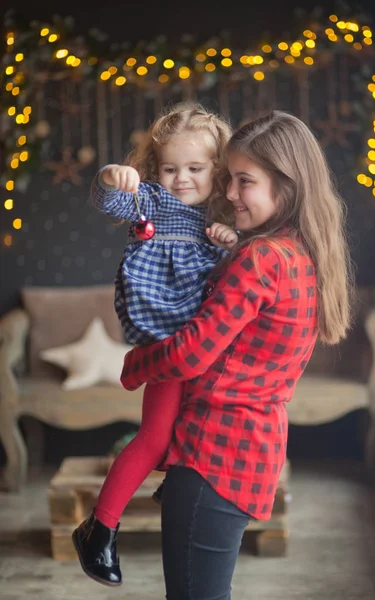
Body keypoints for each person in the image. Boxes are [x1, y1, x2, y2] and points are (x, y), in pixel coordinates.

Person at [119, 110, 354, 600]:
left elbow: (190, 355)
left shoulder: (260, 258)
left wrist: (134, 366)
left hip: (214, 449)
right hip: (253, 448)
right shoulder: (300, 253)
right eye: (228, 179)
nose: (227, 194)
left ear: (286, 186)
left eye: (243, 181)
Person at [72, 102, 238, 586]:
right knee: (154, 435)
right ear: (154, 168)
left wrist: (229, 241)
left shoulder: (223, 212)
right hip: (168, 336)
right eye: (169, 168)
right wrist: (111, 176)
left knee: (200, 422)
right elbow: (110, 202)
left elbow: (240, 272)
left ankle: (178, 482)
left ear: (218, 168)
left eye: (195, 168)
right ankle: (99, 529)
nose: (181, 179)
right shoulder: (153, 200)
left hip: (206, 341)